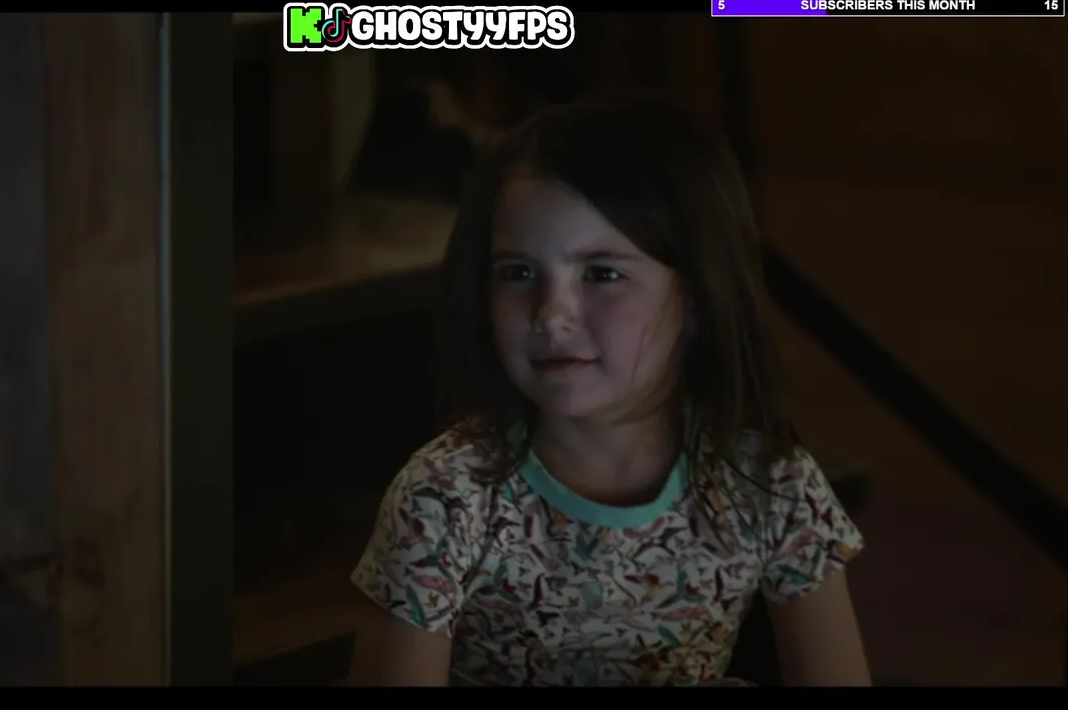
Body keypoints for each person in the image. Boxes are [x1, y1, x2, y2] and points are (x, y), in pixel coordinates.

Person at [346, 93, 870, 687]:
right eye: (518, 272)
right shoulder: (443, 501)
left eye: (602, 274)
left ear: (697, 299)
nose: (551, 314)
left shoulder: (770, 486)